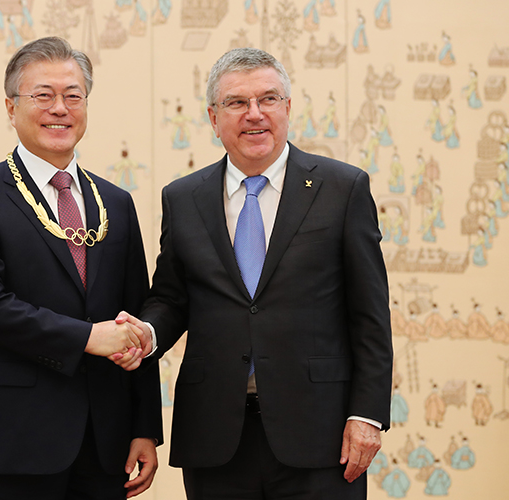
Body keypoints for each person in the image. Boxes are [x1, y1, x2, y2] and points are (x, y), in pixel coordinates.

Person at [118, 47, 392, 499]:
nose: (255, 114)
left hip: (321, 435)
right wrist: (147, 333)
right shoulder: (183, 198)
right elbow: (171, 298)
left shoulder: (343, 189)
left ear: (287, 107)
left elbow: (370, 315)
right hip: (215, 435)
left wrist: (366, 414)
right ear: (213, 115)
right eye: (237, 103)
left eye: (268, 99)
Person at [0, 36, 162, 500]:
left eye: (73, 95)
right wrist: (86, 338)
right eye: (43, 95)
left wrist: (144, 427)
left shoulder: (116, 204)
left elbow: (134, 314)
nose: (59, 108)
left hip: (105, 441)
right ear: (11, 106)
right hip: (15, 437)